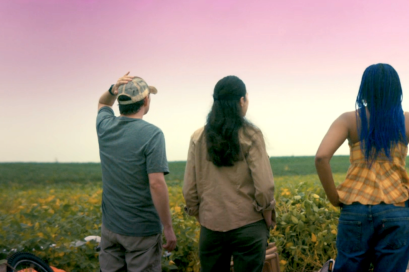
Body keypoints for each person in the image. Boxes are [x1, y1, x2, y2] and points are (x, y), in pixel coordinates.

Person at [315, 63, 409, 272]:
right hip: (396, 207)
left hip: (355, 207)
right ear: (396, 88)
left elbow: (322, 157)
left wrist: (334, 197)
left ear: (365, 88)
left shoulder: (349, 119)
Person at [183, 76, 276, 272]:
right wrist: (267, 215)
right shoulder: (251, 135)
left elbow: (189, 189)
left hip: (211, 228)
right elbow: (265, 186)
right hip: (249, 225)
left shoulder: (198, 137)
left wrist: (203, 217)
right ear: (242, 101)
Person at [96, 72, 176, 272]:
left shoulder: (105, 126)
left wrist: (112, 90)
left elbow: (103, 104)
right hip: (142, 232)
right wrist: (168, 226)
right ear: (146, 100)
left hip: (111, 228)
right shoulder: (153, 134)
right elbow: (156, 184)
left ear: (120, 102)